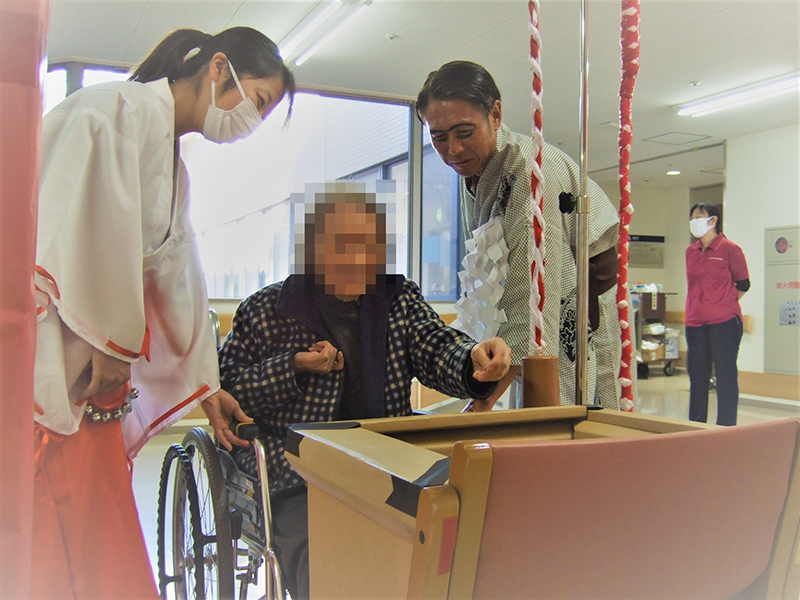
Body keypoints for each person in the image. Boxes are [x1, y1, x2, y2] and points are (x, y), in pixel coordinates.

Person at [32, 27, 294, 599]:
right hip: (54, 363)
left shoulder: (172, 164)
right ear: (219, 68)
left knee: (98, 546)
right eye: (259, 101)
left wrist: (205, 385)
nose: (253, 120)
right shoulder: (110, 113)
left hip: (91, 381)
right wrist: (109, 341)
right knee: (56, 540)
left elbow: (177, 281)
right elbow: (62, 231)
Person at [218, 183, 512, 599]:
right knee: (322, 556)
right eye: (342, 246)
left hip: (385, 463)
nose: (357, 259)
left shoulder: (396, 299)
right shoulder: (268, 310)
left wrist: (474, 363)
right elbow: (229, 392)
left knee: (443, 535)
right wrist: (294, 367)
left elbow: (436, 346)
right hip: (300, 474)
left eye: (368, 247)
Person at [415, 61, 636, 410]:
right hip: (534, 290)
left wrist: (482, 402)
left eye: (464, 132)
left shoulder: (531, 169)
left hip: (577, 289)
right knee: (527, 386)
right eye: (439, 137)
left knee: (570, 404)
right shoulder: (474, 169)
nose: (452, 149)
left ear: (496, 114)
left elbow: (536, 299)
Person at [685, 203, 749, 426]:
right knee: (698, 378)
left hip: (724, 322)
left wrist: (722, 302)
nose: (694, 220)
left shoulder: (729, 249)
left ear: (713, 220)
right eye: (692, 217)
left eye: (699, 216)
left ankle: (726, 426)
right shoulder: (690, 252)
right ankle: (695, 424)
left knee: (725, 376)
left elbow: (743, 284)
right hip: (695, 321)